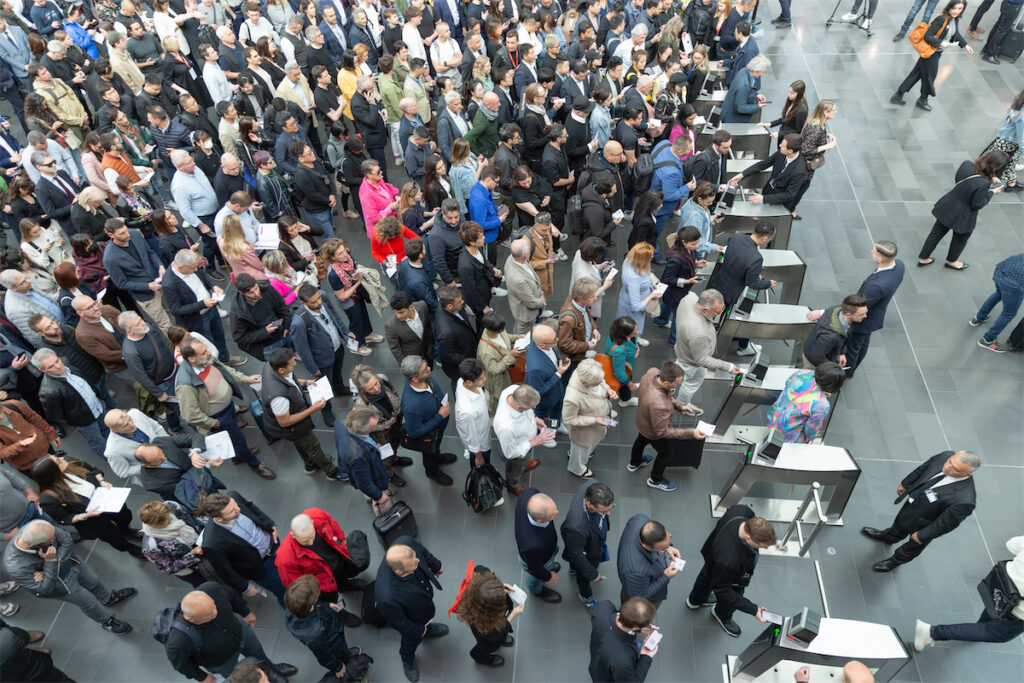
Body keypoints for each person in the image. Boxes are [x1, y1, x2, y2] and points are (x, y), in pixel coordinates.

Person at [3, 519, 136, 634]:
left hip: (72, 563)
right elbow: (44, 589)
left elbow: (66, 539)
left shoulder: (37, 527)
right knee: (88, 602)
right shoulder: (16, 567)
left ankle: (107, 598)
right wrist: (49, 562)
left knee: (93, 581)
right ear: (33, 545)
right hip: (61, 585)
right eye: (51, 540)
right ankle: (106, 621)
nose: (54, 539)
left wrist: (51, 564)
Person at [861, 450, 980, 572]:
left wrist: (923, 535)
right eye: (950, 462)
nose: (947, 467)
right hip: (914, 504)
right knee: (899, 523)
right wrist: (906, 483)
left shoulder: (964, 500)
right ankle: (889, 537)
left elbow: (945, 524)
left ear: (968, 474)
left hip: (925, 523)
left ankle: (895, 561)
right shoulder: (946, 456)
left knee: (912, 547)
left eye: (955, 469)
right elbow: (923, 468)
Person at [175, 338, 273, 479]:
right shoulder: (185, 384)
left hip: (228, 408)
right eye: (203, 352)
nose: (209, 353)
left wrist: (246, 378)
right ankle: (255, 465)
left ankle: (237, 455)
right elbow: (189, 414)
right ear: (191, 358)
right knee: (239, 440)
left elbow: (225, 370)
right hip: (218, 418)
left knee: (235, 439)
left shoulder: (206, 360)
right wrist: (214, 423)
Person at [164, 582, 298, 681]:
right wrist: (202, 677)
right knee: (240, 677)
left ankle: (272, 670)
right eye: (208, 614)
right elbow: (181, 664)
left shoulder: (211, 589)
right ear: (189, 618)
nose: (215, 613)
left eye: (214, 607)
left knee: (258, 654)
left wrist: (245, 613)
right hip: (222, 661)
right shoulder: (178, 641)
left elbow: (231, 596)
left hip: (242, 634)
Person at [913, 535, 1024, 649]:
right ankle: (931, 632)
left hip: (1000, 585)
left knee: (994, 607)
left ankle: (976, 629)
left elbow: (1011, 544)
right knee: (997, 634)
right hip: (1017, 608)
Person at [30, 454, 145, 558]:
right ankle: (132, 549)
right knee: (114, 538)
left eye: (57, 457)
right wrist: (85, 515)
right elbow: (63, 519)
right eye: (58, 461)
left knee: (124, 516)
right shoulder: (49, 498)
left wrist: (101, 481)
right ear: (52, 473)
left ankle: (126, 530)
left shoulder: (72, 462)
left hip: (107, 500)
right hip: (93, 521)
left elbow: (93, 471)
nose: (62, 459)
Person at [687, 504, 776, 637]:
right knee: (731, 594)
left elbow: (730, 509)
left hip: (712, 555)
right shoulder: (729, 559)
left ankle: (696, 600)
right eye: (760, 546)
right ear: (748, 538)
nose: (763, 549)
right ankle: (721, 614)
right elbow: (723, 590)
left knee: (706, 576)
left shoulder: (741, 511)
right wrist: (753, 610)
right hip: (730, 574)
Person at [261, 348, 343, 480]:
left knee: (300, 443)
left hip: (290, 422)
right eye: (292, 363)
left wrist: (304, 382)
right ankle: (331, 471)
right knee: (313, 446)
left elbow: (289, 379)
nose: (295, 364)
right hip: (292, 426)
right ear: (281, 369)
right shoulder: (278, 398)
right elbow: (285, 421)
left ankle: (310, 465)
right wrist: (313, 409)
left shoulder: (270, 367)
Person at [918, 151, 1007, 271]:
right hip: (963, 216)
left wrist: (992, 177)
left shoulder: (966, 165)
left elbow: (962, 182)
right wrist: (992, 192)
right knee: (959, 240)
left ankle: (924, 258)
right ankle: (952, 261)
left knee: (935, 234)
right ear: (995, 166)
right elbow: (978, 204)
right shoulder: (984, 184)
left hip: (948, 206)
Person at [374, 538, 448, 683]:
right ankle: (407, 658)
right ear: (398, 571)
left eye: (415, 556)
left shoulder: (405, 543)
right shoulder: (387, 598)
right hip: (412, 619)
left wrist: (436, 565)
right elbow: (399, 622)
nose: (418, 561)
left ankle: (429, 627)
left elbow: (422, 552)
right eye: (413, 562)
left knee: (425, 620)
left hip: (421, 602)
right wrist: (418, 630)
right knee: (410, 640)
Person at [630, 361, 708, 492]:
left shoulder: (652, 372)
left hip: (642, 420)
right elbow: (662, 431)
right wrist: (691, 432)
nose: (678, 385)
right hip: (653, 432)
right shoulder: (660, 405)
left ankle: (635, 462)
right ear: (667, 383)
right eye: (676, 384)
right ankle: (656, 479)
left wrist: (679, 405)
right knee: (666, 453)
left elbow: (666, 395)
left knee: (641, 440)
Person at [198, 491, 286, 605]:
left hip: (274, 544)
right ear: (218, 519)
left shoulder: (233, 496)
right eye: (232, 511)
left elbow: (251, 507)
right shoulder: (212, 544)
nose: (238, 509)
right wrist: (246, 587)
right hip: (263, 567)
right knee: (283, 590)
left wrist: (270, 524)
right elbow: (225, 571)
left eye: (235, 504)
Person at [275, 509, 365, 616]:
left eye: (312, 536)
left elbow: (333, 526)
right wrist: (316, 599)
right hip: (322, 585)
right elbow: (296, 584)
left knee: (341, 576)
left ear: (312, 523)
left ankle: (345, 586)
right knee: (331, 601)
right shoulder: (285, 558)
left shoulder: (317, 515)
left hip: (336, 562)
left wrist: (342, 541)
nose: (310, 542)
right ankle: (339, 613)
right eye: (304, 541)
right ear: (293, 535)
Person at [706, 224, 777, 355]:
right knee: (746, 314)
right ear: (765, 238)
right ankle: (742, 347)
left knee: (715, 314)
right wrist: (768, 283)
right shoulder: (756, 258)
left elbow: (734, 258)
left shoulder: (736, 237)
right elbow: (752, 283)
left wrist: (752, 272)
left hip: (720, 282)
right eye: (770, 238)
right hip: (733, 292)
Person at [890, 1, 974, 111]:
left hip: (935, 52)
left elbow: (955, 33)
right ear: (949, 7)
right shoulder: (941, 19)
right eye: (954, 8)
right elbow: (927, 36)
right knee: (930, 77)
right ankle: (923, 99)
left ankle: (898, 95)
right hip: (931, 53)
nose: (956, 11)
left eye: (959, 9)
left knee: (917, 73)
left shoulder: (954, 19)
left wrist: (965, 45)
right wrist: (941, 42)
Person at [290, 283, 353, 425]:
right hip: (321, 359)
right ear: (303, 303)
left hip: (337, 348)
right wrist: (313, 368)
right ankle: (326, 410)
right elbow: (302, 349)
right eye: (314, 302)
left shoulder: (323, 296)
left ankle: (339, 388)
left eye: (318, 298)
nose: (319, 302)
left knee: (338, 372)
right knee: (324, 386)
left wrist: (345, 332)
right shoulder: (299, 322)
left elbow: (335, 316)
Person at [673, 290, 741, 415]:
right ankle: (682, 405)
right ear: (704, 310)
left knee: (679, 368)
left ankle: (671, 384)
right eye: (717, 312)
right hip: (692, 363)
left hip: (682, 349)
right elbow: (701, 360)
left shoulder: (689, 298)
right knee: (690, 384)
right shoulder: (698, 333)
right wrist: (728, 366)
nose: (720, 313)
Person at [32, 348, 110, 457]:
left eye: (57, 361)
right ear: (42, 370)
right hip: (86, 422)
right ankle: (116, 463)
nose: (58, 366)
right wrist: (76, 416)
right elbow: (55, 415)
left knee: (109, 432)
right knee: (99, 444)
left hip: (99, 407)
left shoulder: (66, 362)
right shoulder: (48, 391)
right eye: (51, 366)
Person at [844, 240, 906, 376]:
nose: (871, 251)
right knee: (863, 342)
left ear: (880, 258)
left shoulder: (875, 287)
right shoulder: (899, 265)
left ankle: (846, 372)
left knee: (853, 348)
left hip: (865, 319)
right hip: (876, 315)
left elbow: (858, 305)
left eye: (874, 251)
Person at [102, 218, 173, 333]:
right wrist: (148, 286)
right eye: (122, 233)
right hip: (146, 295)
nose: (127, 234)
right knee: (165, 325)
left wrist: (160, 266)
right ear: (111, 235)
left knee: (172, 311)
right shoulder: (110, 258)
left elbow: (150, 252)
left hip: (159, 281)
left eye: (126, 230)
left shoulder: (134, 234)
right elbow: (122, 283)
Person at [283, 575, 360, 680]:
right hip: (333, 642)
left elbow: (315, 604)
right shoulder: (315, 635)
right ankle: (345, 658)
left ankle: (344, 654)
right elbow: (324, 656)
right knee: (340, 653)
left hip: (328, 629)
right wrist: (337, 667)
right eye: (316, 597)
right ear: (310, 606)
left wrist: (326, 605)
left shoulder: (294, 606)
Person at [451, 564, 524, 668]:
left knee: (501, 633)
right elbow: (494, 637)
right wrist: (512, 615)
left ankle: (503, 635)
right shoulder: (482, 622)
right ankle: (479, 656)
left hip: (496, 620)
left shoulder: (480, 575)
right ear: (492, 607)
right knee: (488, 645)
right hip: (490, 637)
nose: (504, 591)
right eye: (501, 594)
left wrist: (499, 585)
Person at [400, 355, 457, 486]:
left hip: (438, 426)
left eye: (426, 365)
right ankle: (432, 471)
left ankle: (437, 456)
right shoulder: (412, 406)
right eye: (425, 370)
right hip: (429, 433)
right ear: (414, 379)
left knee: (436, 447)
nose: (429, 369)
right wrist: (440, 416)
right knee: (430, 451)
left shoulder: (426, 379)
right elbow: (414, 432)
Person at [560, 481, 615, 610]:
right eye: (604, 511)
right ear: (590, 504)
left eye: (609, 509)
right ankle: (586, 595)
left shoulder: (592, 485)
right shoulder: (576, 527)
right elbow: (576, 554)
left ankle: (573, 568)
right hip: (584, 546)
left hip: (589, 538)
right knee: (583, 574)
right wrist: (592, 573)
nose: (608, 513)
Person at [562, 359, 617, 479]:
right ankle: (577, 468)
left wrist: (608, 389)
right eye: (596, 382)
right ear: (585, 382)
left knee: (584, 448)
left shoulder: (586, 370)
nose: (600, 382)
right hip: (583, 431)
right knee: (581, 448)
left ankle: (581, 453)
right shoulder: (572, 398)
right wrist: (595, 419)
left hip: (597, 425)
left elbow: (601, 381)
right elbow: (569, 419)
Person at [766, 362, 847, 443]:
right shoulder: (821, 405)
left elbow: (788, 382)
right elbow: (811, 428)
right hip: (788, 432)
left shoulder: (803, 373)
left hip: (776, 416)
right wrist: (811, 436)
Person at [493, 384, 550, 496]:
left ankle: (523, 466)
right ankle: (513, 486)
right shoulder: (506, 427)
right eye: (532, 407)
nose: (533, 409)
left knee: (522, 461)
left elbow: (527, 412)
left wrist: (534, 418)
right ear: (519, 407)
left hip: (524, 442)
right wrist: (534, 442)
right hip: (515, 450)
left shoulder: (514, 390)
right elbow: (510, 453)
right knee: (514, 470)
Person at [727, 133, 808, 213]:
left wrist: (764, 199)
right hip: (768, 190)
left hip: (779, 204)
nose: (779, 146)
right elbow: (763, 164)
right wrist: (742, 174)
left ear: (790, 151)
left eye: (783, 146)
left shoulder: (799, 171)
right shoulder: (781, 153)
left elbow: (789, 195)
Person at [588, 596, 660, 682]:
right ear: (634, 627)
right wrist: (646, 655)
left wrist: (640, 628)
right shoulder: (623, 661)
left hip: (597, 662)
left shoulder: (604, 606)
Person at [617, 514, 683, 606]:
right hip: (643, 599)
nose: (665, 549)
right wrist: (666, 576)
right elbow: (640, 597)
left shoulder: (640, 519)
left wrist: (667, 547)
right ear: (646, 546)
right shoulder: (636, 572)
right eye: (662, 548)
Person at [514, 487, 562, 603]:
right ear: (540, 521)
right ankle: (537, 590)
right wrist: (548, 576)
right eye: (552, 515)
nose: (557, 512)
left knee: (551, 556)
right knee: (534, 577)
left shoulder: (529, 493)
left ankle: (549, 566)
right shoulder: (532, 546)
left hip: (546, 548)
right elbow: (535, 568)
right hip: (536, 560)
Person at [231, 273, 294, 360]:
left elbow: (282, 306)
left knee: (291, 354)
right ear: (241, 293)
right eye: (251, 293)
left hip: (283, 332)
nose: (257, 294)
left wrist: (287, 325)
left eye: (256, 288)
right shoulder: (238, 312)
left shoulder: (266, 288)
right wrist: (264, 332)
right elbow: (240, 337)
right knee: (283, 368)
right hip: (268, 346)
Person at [454, 358, 498, 481]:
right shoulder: (467, 411)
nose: (485, 379)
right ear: (469, 382)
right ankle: (482, 484)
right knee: (480, 466)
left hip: (482, 426)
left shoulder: (461, 381)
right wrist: (478, 456)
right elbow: (471, 437)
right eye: (481, 379)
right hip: (480, 443)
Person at [972, 253, 1024, 353]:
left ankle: (978, 318)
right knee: (1008, 314)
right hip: (1013, 285)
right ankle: (987, 340)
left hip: (1000, 271)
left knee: (998, 293)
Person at [616, 242, 662, 347]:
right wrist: (652, 295)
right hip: (633, 305)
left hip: (628, 297)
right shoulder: (634, 279)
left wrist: (653, 282)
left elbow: (647, 272)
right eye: (650, 257)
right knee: (630, 327)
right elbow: (636, 307)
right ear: (642, 260)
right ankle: (631, 342)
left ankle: (635, 338)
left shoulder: (629, 260)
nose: (652, 258)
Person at [525, 322, 571, 428]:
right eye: (554, 340)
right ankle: (549, 430)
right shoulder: (536, 369)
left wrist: (560, 362)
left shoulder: (538, 339)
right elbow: (538, 391)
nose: (558, 340)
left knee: (557, 412)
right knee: (545, 418)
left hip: (557, 391)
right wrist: (559, 373)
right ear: (542, 345)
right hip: (547, 400)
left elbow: (552, 355)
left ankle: (557, 425)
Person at [435, 285, 479, 386]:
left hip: (464, 347)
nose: (462, 302)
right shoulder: (446, 332)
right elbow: (448, 355)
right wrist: (467, 359)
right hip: (460, 368)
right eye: (459, 301)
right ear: (449, 306)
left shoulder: (445, 305)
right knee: (460, 383)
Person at [505, 236, 549, 333]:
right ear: (526, 254)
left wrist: (540, 292)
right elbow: (531, 303)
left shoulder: (513, 257)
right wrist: (542, 301)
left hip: (529, 303)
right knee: (523, 337)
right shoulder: (518, 279)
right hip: (526, 315)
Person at [385, 292, 435, 367]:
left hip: (428, 352)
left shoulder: (422, 306)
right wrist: (407, 366)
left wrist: (430, 348)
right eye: (396, 312)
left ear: (410, 307)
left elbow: (428, 328)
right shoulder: (391, 326)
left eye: (401, 312)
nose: (398, 316)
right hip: (412, 360)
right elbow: (395, 349)